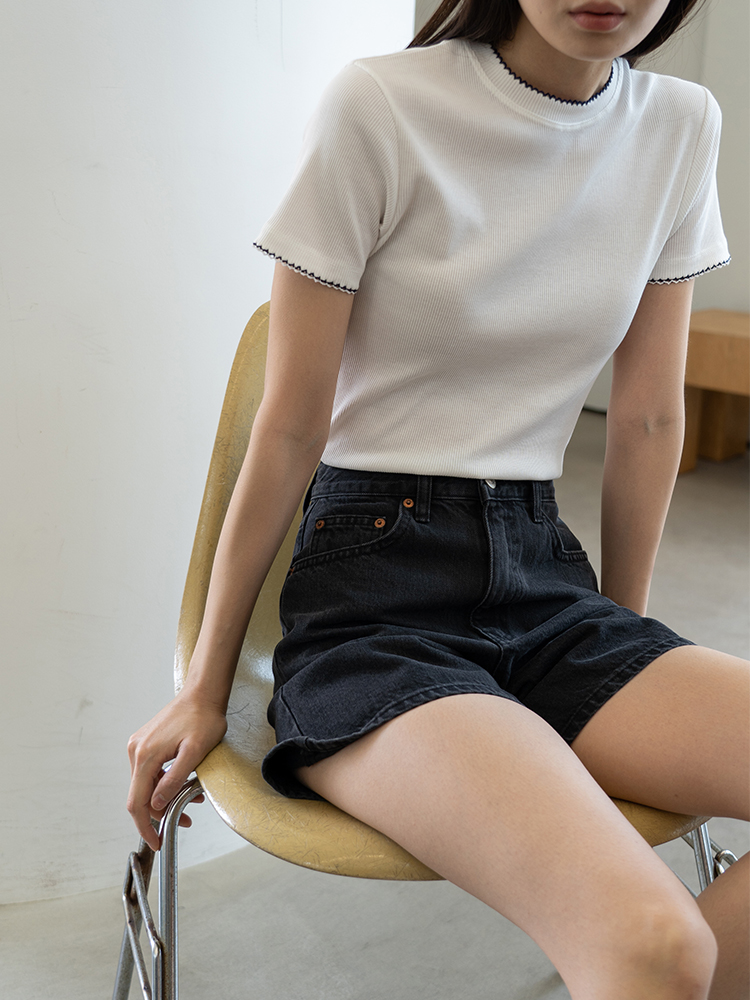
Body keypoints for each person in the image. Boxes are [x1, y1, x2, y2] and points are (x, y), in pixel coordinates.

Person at [126, 1, 749, 996]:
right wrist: (204, 686)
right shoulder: (381, 104)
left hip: (546, 586)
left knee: (670, 959)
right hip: (373, 601)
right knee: (657, 946)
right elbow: (290, 426)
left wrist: (624, 649)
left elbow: (646, 419)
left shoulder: (679, 124)